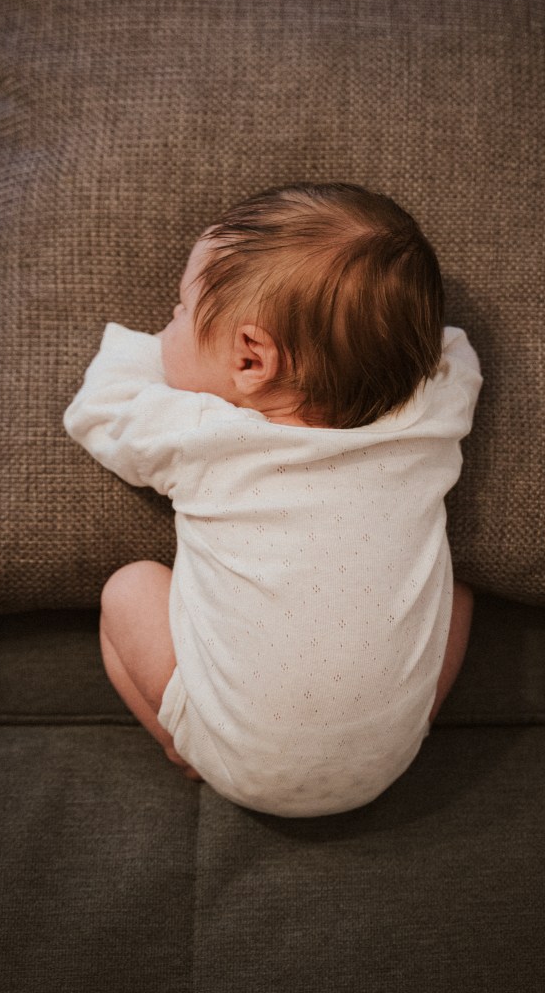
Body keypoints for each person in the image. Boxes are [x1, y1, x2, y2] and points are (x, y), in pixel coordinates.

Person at [63, 182, 482, 816]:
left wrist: (151, 353)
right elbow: (454, 351)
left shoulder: (209, 437)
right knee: (461, 595)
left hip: (241, 765)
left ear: (251, 360)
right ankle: (409, 722)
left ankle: (182, 745)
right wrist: (388, 344)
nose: (168, 323)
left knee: (126, 589)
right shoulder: (428, 421)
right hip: (387, 763)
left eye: (179, 311)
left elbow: (98, 409)